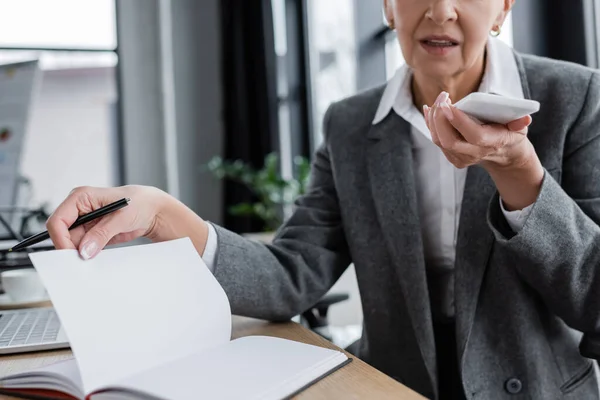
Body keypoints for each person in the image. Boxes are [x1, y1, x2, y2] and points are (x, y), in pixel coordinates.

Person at [46, 0, 600, 398]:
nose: (441, 10)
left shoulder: (574, 98)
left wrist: (520, 173)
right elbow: (293, 272)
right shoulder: (351, 125)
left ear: (503, 8)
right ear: (387, 6)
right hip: (385, 388)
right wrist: (162, 213)